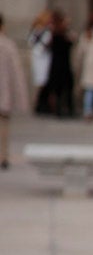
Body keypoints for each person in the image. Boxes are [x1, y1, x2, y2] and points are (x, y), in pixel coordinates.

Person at [0, 13, 30, 170]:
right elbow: (16, 73)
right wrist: (21, 98)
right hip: (3, 93)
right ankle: (2, 156)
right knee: (3, 127)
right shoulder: (8, 45)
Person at [45, 10, 75, 118]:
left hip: (56, 64)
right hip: (63, 64)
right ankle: (68, 109)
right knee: (66, 88)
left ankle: (59, 109)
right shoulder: (62, 34)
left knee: (58, 89)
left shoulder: (53, 34)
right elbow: (71, 42)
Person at [28, 10, 53, 115]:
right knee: (41, 82)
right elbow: (34, 43)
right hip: (40, 58)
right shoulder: (39, 31)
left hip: (44, 58)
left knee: (44, 82)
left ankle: (43, 105)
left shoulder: (44, 31)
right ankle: (40, 105)